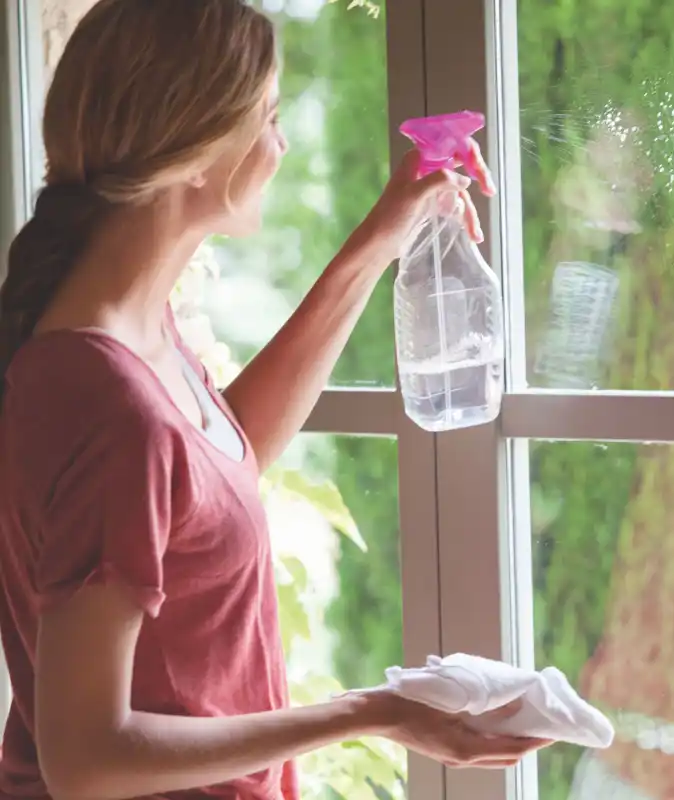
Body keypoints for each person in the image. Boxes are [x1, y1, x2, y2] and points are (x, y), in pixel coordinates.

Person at [0, 2, 550, 799]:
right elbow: (86, 758)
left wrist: (379, 240)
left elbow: (223, 464)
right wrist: (366, 712)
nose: (282, 145)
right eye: (268, 116)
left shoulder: (118, 336)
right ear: (194, 152)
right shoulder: (112, 404)